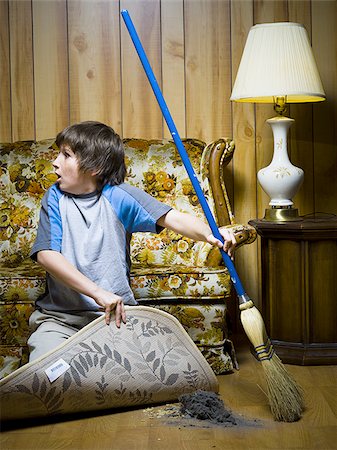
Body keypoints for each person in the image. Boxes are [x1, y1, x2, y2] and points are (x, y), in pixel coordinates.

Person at [28, 121, 237, 361]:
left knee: (146, 370)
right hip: (59, 320)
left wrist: (211, 233)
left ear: (94, 166)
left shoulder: (118, 196)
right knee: (47, 375)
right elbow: (46, 254)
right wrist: (97, 292)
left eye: (66, 155)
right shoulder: (54, 197)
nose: (55, 162)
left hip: (114, 318)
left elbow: (173, 218)